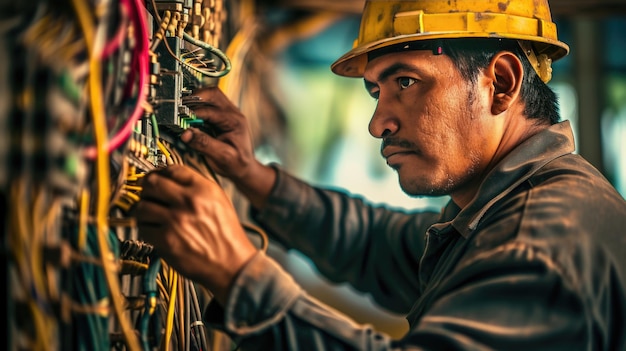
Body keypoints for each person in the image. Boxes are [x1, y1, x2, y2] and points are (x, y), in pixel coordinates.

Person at [134, 0, 626, 349]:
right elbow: (376, 245)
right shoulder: (507, 210)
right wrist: (252, 176)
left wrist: (239, 277)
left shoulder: (539, 243)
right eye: (376, 92)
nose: (378, 124)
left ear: (499, 83)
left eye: (406, 82)